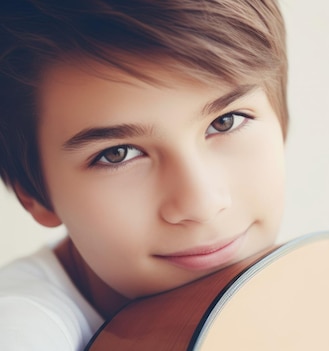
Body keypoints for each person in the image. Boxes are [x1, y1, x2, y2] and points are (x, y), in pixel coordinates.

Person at [0, 0, 289, 349]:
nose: (202, 204)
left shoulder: (324, 281)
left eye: (225, 122)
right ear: (34, 195)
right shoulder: (23, 325)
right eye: (117, 154)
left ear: (281, 119)